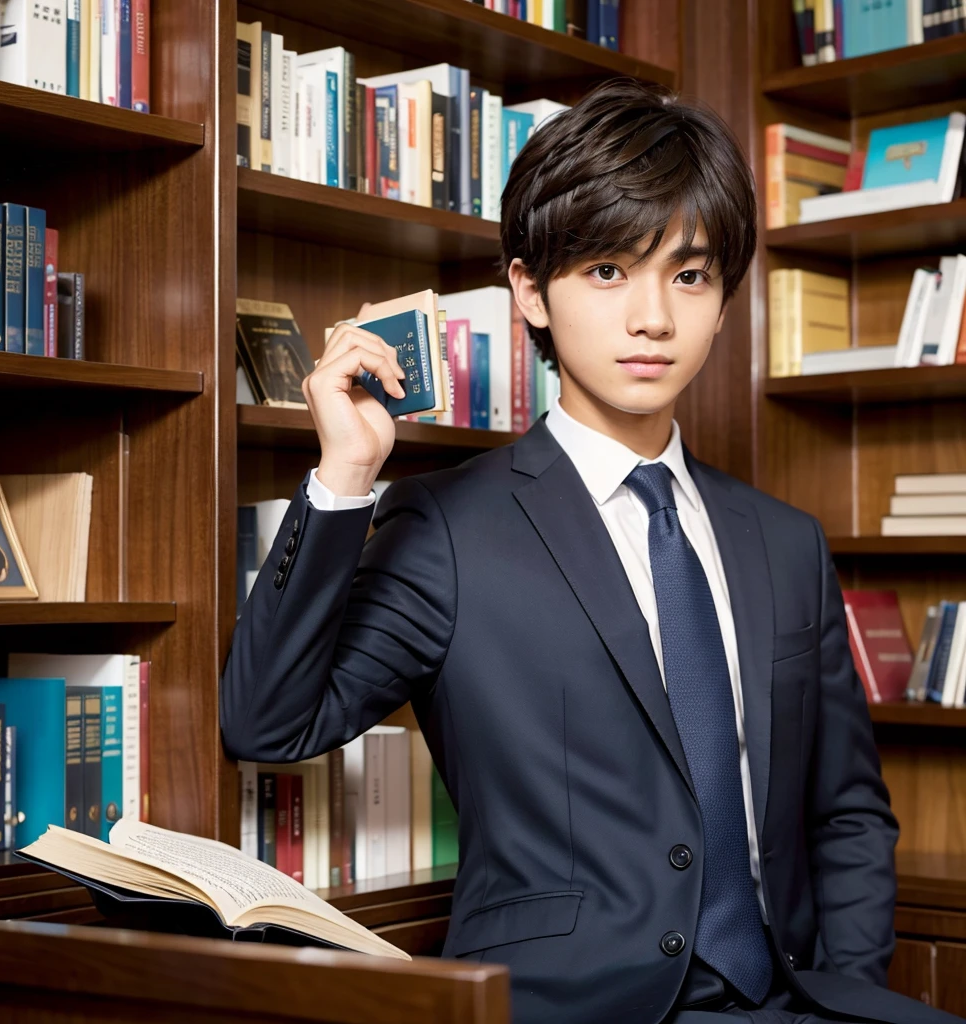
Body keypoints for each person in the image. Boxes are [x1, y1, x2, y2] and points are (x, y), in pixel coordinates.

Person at [220, 79, 962, 1024]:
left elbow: (847, 813)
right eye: (608, 271)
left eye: (688, 276)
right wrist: (344, 477)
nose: (652, 317)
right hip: (567, 1007)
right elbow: (267, 727)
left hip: (793, 1004)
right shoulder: (445, 528)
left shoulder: (784, 541)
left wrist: (849, 998)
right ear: (530, 291)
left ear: (725, 300)